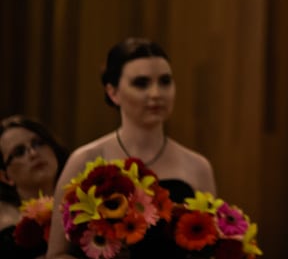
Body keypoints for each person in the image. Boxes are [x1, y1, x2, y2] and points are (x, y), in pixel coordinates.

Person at [46, 37, 216, 259]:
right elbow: (57, 254)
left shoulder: (198, 166)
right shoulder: (84, 160)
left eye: (165, 81)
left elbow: (210, 248)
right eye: (141, 83)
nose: (156, 93)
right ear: (113, 92)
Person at [0, 116, 68, 259]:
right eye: (19, 152)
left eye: (38, 143)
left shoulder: (87, 205)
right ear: (5, 177)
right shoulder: (7, 235)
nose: (33, 153)